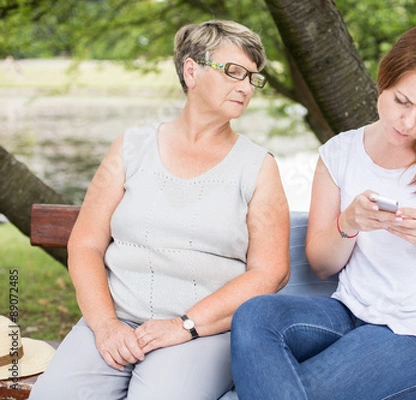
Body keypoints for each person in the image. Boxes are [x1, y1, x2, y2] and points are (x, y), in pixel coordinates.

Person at [230, 24, 416, 400]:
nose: (409, 122)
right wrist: (348, 223)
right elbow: (322, 264)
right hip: (348, 314)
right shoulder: (339, 153)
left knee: (300, 392)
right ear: (384, 79)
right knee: (255, 316)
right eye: (401, 101)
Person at [30, 19, 289, 400]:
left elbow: (271, 271)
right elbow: (85, 244)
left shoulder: (257, 166)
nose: (246, 86)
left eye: (253, 77)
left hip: (202, 332)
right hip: (115, 319)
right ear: (191, 70)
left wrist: (185, 325)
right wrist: (105, 326)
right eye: (234, 72)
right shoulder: (131, 147)